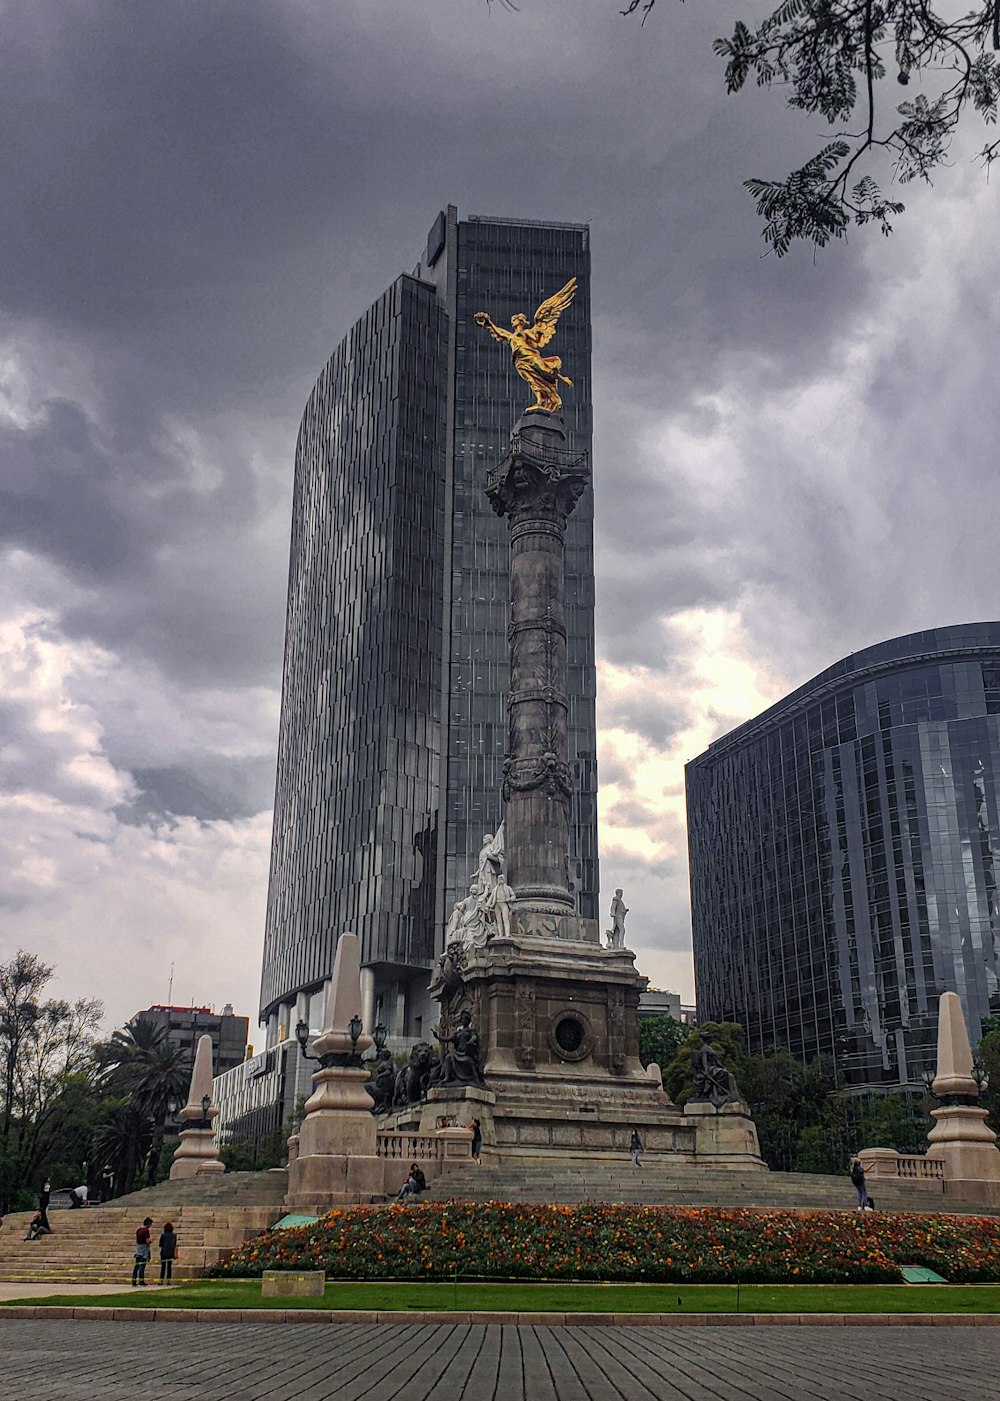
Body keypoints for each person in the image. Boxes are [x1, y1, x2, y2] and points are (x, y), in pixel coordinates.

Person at [132, 1216, 153, 1286]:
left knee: (137, 1266)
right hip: (144, 1249)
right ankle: (141, 1280)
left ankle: (134, 1280)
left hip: (138, 1249)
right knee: (142, 1266)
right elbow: (147, 1241)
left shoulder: (138, 1230)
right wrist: (151, 1241)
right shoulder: (146, 1231)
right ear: (148, 1224)